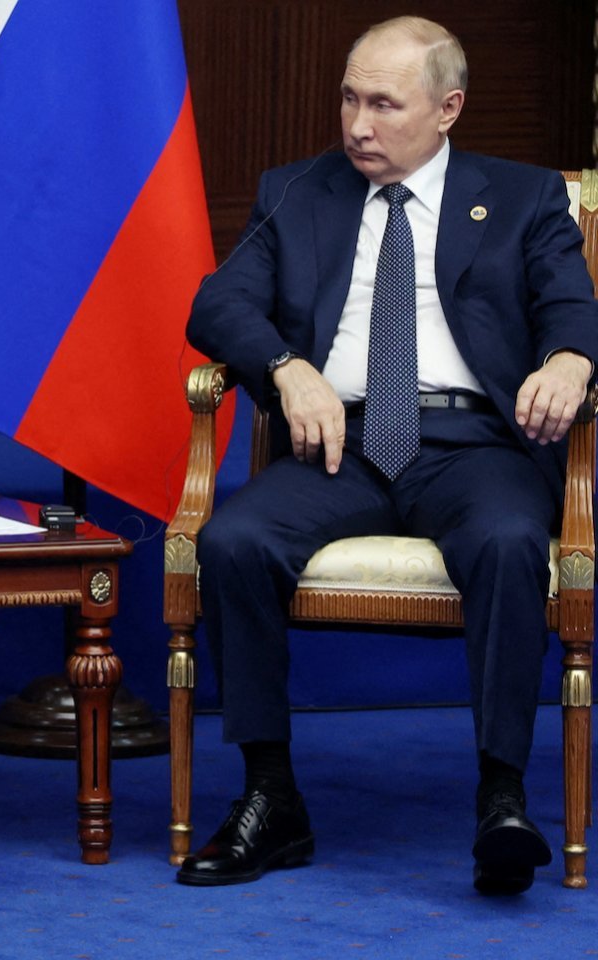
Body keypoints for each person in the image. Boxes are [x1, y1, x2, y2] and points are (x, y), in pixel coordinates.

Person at [180, 16, 598, 895]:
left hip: (473, 445)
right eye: (348, 99)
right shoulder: (299, 191)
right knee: (233, 541)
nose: (357, 125)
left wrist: (569, 360)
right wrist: (287, 367)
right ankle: (270, 795)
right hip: (342, 443)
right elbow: (217, 306)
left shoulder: (522, 197)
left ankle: (502, 798)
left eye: (383, 104)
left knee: (508, 543)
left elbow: (570, 304)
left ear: (448, 109)